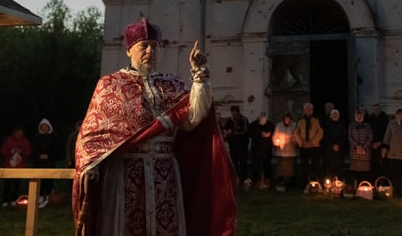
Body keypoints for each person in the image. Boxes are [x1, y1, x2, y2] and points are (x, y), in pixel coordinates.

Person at [72, 18, 237, 236]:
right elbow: (91, 135)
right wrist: (89, 165)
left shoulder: (172, 84)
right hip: (123, 172)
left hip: (164, 171)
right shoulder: (110, 84)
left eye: (155, 46)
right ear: (129, 50)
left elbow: (195, 117)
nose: (150, 51)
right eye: (144, 46)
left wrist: (200, 77)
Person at [382, 108, 402, 197]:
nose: (399, 116)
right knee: (393, 174)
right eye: (398, 115)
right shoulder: (391, 124)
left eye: (401, 115)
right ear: (395, 116)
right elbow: (387, 137)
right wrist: (384, 150)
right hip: (393, 154)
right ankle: (393, 191)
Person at [0, 125, 31, 206]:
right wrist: (11, 151)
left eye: (20, 133)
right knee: (7, 183)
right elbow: (3, 151)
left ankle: (14, 200)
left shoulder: (25, 141)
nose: (19, 134)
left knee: (17, 184)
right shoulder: (8, 140)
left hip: (20, 167)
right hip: (9, 166)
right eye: (17, 132)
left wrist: (22, 152)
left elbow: (28, 152)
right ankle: (5, 201)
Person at [295, 102, 323, 188]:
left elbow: (320, 132)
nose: (309, 110)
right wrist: (302, 142)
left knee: (316, 165)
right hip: (303, 147)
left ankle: (317, 183)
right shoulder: (300, 121)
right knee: (304, 166)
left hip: (314, 147)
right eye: (307, 109)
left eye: (310, 109)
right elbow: (296, 133)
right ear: (304, 110)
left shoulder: (316, 120)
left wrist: (312, 142)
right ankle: (304, 184)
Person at [32, 118, 58, 208]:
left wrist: (49, 155)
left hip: (50, 162)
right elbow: (34, 148)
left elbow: (56, 149)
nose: (44, 129)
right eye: (42, 127)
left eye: (46, 127)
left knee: (49, 180)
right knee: (40, 179)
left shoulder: (53, 136)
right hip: (39, 162)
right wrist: (39, 155)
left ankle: (47, 196)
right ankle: (39, 196)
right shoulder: (36, 137)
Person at [223, 105, 250, 184]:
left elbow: (245, 131)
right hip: (233, 144)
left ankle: (244, 178)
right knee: (234, 162)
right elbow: (225, 128)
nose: (234, 115)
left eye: (235, 114)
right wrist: (226, 132)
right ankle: (235, 177)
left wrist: (234, 133)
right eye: (232, 114)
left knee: (243, 162)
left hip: (242, 144)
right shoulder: (230, 120)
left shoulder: (243, 120)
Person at [247, 112, 274, 188]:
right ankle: (255, 182)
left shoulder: (270, 125)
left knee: (267, 166)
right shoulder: (253, 125)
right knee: (255, 166)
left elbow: (275, 132)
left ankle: (267, 182)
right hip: (256, 149)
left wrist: (270, 134)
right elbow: (248, 133)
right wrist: (259, 134)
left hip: (267, 149)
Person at [273, 112, 298, 189]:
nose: (287, 121)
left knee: (290, 170)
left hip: (291, 152)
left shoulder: (294, 126)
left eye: (289, 119)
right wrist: (277, 143)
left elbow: (296, 136)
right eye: (286, 119)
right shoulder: (279, 126)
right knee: (281, 169)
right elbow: (274, 138)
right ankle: (280, 184)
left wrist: (294, 140)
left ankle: (291, 185)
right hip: (281, 152)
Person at [322, 109, 347, 179]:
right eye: (333, 114)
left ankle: (339, 184)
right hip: (330, 149)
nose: (335, 116)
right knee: (330, 168)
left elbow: (344, 136)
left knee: (339, 168)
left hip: (339, 149)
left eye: (336, 114)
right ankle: (330, 185)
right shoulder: (327, 125)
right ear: (331, 116)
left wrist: (338, 145)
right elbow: (326, 136)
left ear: (338, 116)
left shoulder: (342, 124)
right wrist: (332, 145)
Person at [347, 108, 372, 177]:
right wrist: (357, 146)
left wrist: (363, 147)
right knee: (355, 172)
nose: (359, 117)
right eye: (357, 116)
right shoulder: (351, 125)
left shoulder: (367, 126)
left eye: (360, 116)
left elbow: (370, 137)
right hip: (355, 151)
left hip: (365, 151)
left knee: (364, 173)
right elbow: (350, 137)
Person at [367, 103, 389, 177]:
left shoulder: (385, 118)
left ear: (380, 109)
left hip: (382, 145)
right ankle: (374, 182)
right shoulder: (370, 118)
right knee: (373, 164)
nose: (376, 110)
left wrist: (380, 143)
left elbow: (387, 132)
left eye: (377, 109)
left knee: (383, 165)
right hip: (372, 145)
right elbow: (368, 132)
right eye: (374, 109)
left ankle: (383, 183)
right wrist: (372, 143)